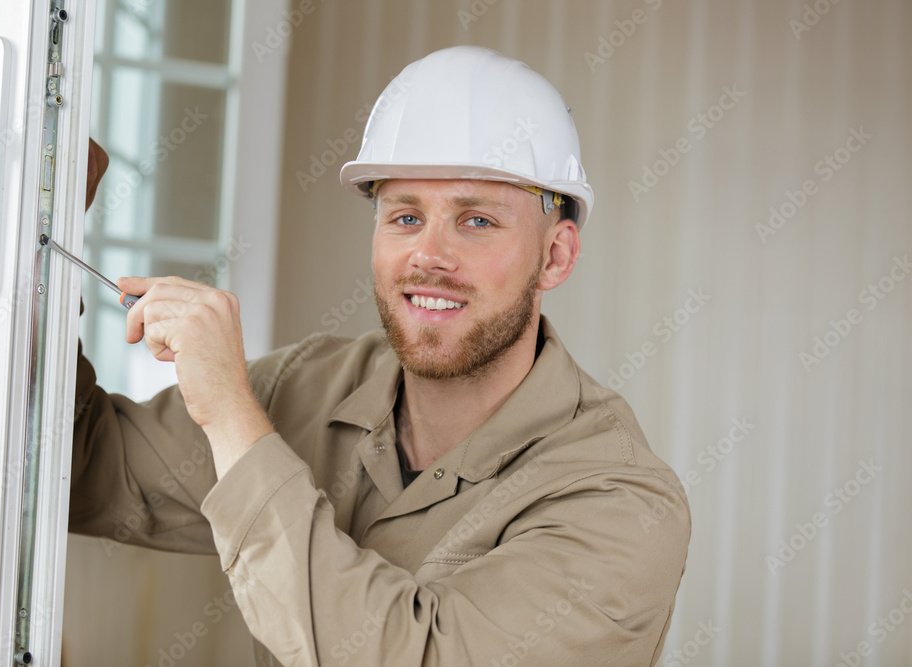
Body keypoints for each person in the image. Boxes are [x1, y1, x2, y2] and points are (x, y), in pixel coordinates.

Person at [71, 46, 690, 666]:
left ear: (555, 255)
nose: (429, 256)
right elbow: (83, 467)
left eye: (477, 221)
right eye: (406, 216)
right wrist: (52, 214)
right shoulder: (307, 384)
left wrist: (230, 414)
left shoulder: (620, 503)